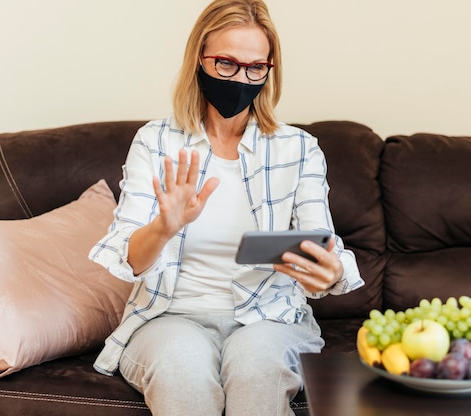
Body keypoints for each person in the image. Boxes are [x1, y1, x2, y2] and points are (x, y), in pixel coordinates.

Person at [89, 0, 364, 415]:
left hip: (269, 318)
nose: (242, 78)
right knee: (183, 369)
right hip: (170, 316)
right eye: (226, 64)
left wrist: (332, 270)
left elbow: (322, 246)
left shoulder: (298, 148)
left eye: (256, 67)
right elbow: (128, 256)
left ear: (270, 69)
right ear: (198, 60)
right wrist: (166, 225)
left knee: (257, 368)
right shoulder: (155, 141)